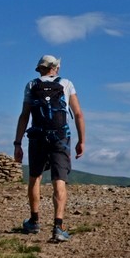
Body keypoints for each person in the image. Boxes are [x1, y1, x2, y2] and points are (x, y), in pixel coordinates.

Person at [13, 54, 85, 242]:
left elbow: (24, 115)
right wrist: (81, 141)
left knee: (34, 177)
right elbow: (78, 114)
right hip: (60, 137)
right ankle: (58, 227)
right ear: (56, 68)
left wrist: (17, 143)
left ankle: (34, 221)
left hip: (37, 136)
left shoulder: (31, 85)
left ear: (40, 69)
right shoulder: (67, 84)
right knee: (59, 179)